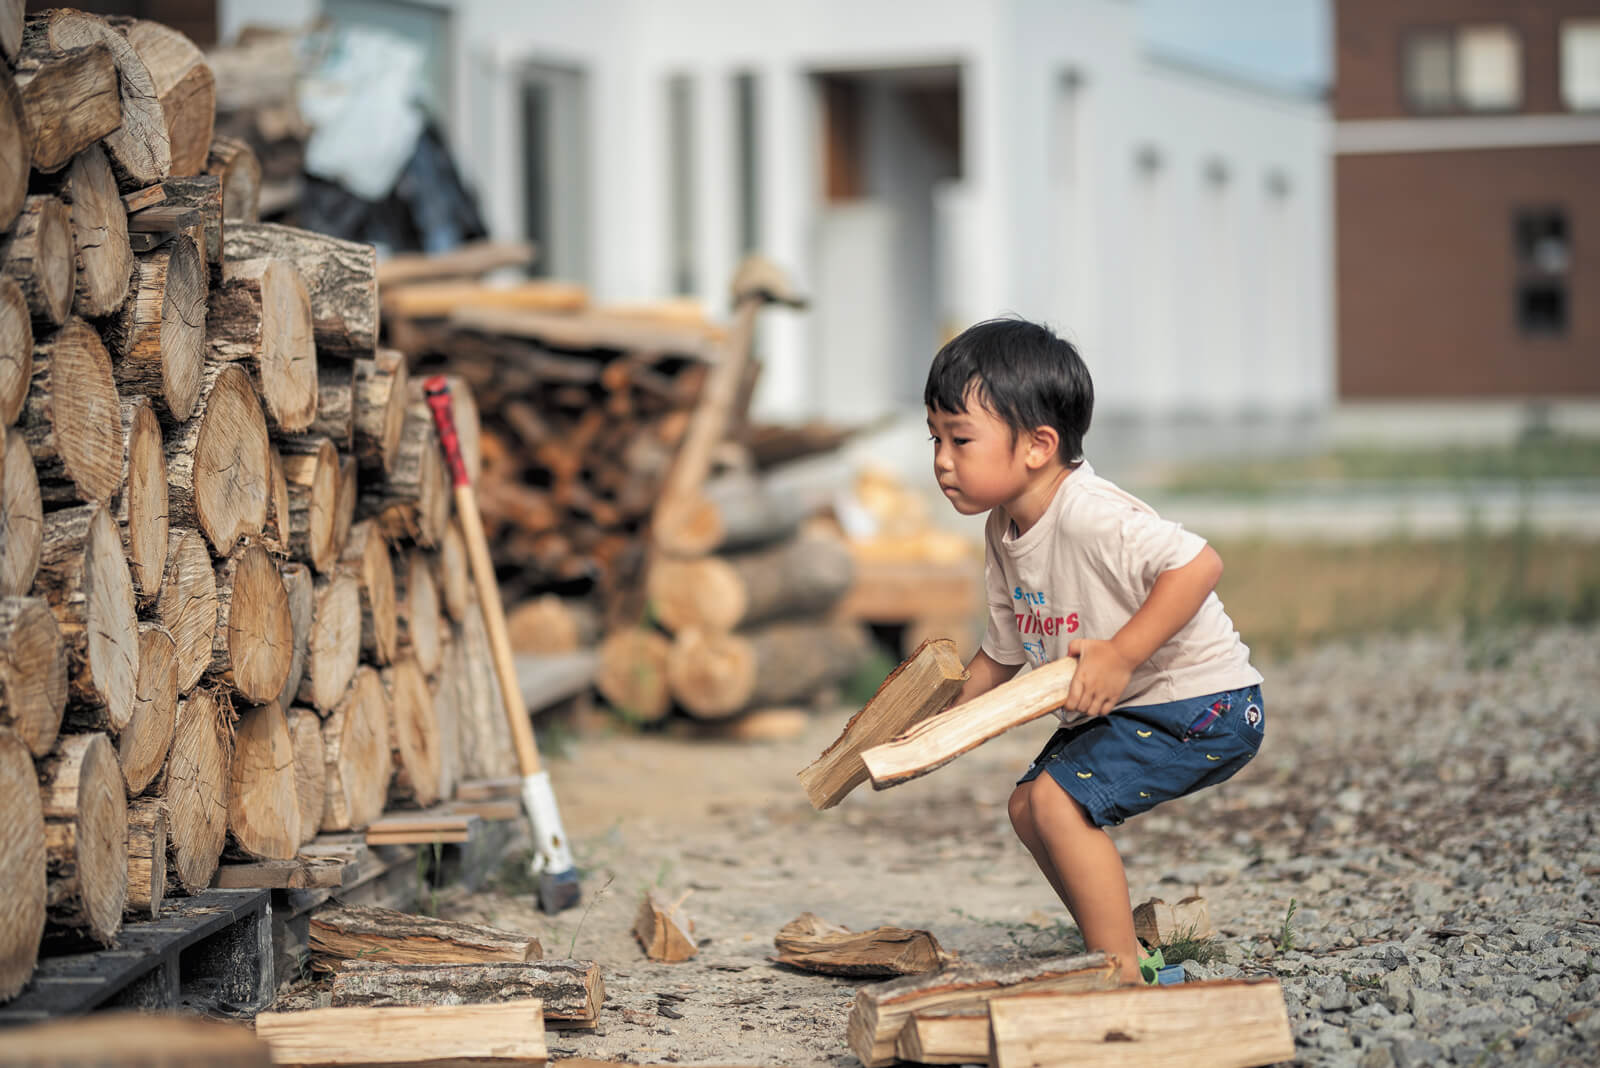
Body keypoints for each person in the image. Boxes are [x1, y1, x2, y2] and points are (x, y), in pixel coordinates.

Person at [925, 318, 1265, 986]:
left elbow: (1198, 563)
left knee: (1056, 802)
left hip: (1204, 701)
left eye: (960, 439)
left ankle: (1120, 982)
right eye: (934, 438)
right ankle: (1120, 953)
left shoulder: (1088, 513)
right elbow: (1002, 654)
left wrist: (1120, 654)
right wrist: (936, 726)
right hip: (1134, 707)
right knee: (1029, 808)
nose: (940, 459)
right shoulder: (1004, 528)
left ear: (1037, 446)